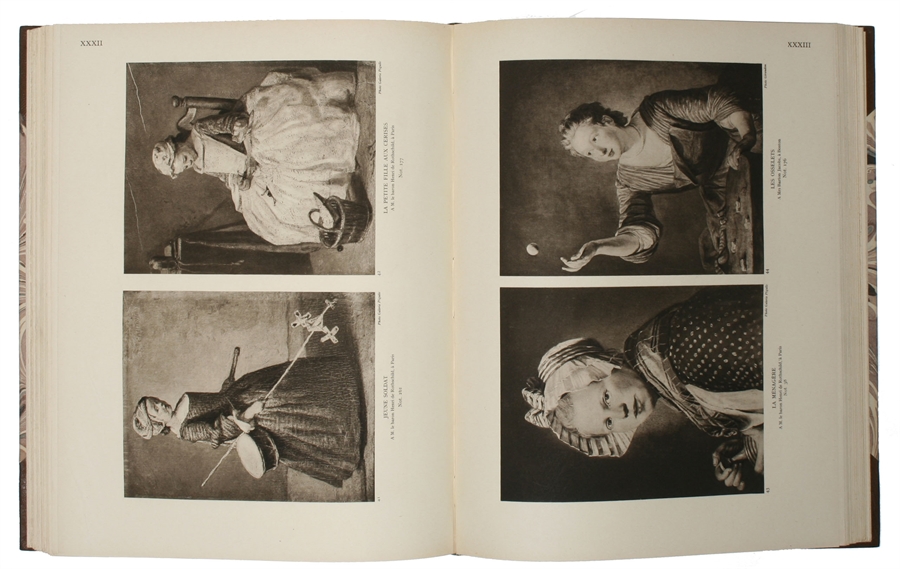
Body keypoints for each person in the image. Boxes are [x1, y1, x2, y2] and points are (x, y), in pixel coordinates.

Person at [522, 286, 764, 491]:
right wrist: (748, 445)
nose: (621, 413)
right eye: (609, 423)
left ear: (608, 364)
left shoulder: (684, 350)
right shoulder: (671, 382)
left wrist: (768, 435)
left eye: (606, 398)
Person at [558, 85, 760, 273]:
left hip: (741, 141)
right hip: (720, 189)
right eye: (590, 153)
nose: (600, 151)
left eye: (595, 138)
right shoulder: (629, 180)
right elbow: (639, 232)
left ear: (607, 121)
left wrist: (747, 136)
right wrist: (598, 247)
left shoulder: (657, 111)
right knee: (726, 254)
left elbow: (717, 102)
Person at [151, 68, 361, 246]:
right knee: (266, 221)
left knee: (287, 143)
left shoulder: (201, 130)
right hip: (253, 171)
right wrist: (237, 181)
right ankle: (334, 211)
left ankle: (339, 164)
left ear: (178, 146)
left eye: (184, 159)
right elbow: (225, 175)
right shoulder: (199, 166)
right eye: (185, 167)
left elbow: (238, 122)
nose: (189, 163)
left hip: (255, 142)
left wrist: (251, 155)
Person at [133, 354, 363, 488]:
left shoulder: (180, 405)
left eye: (158, 401)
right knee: (285, 407)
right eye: (157, 409)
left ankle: (340, 385)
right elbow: (218, 432)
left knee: (285, 383)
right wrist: (248, 414)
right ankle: (344, 426)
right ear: (157, 423)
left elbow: (215, 404)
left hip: (239, 395)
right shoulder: (186, 431)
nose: (162, 404)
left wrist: (227, 388)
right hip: (245, 414)